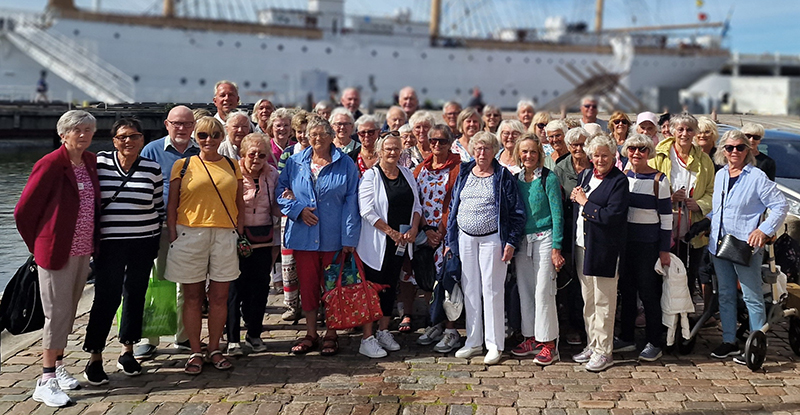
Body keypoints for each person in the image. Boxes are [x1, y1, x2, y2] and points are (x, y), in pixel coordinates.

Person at [15, 110, 99, 407]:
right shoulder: (50, 164)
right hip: (55, 251)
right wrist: (38, 246)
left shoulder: (89, 161)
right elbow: (23, 212)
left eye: (88, 129)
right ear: (63, 134)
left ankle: (59, 366)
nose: (84, 135)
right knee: (56, 313)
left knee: (70, 309)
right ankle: (46, 378)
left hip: (82, 248)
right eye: (78, 130)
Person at [81, 118, 163, 385]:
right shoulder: (100, 163)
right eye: (122, 137)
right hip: (110, 243)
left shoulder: (152, 168)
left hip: (143, 241)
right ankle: (94, 356)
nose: (129, 141)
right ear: (113, 140)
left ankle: (128, 350)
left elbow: (158, 207)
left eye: (135, 136)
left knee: (136, 294)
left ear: (143, 139)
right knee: (106, 296)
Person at [165, 116, 243, 375]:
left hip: (224, 235)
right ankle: (195, 350)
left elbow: (239, 203)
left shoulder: (233, 166)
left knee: (220, 297)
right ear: (195, 138)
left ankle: (215, 347)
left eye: (215, 135)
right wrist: (174, 234)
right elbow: (172, 203)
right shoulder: (183, 164)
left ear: (222, 137)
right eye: (203, 135)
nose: (209, 140)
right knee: (192, 298)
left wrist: (238, 232)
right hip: (191, 234)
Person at [277, 115, 360, 357]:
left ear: (331, 137)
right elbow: (280, 192)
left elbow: (351, 202)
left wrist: (349, 238)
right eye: (312, 135)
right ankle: (311, 333)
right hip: (303, 236)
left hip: (333, 237)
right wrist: (298, 210)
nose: (316, 139)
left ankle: (332, 333)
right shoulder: (294, 162)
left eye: (322, 135)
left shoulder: (345, 164)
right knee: (308, 286)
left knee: (333, 287)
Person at [446, 131, 526, 365]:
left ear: (494, 151)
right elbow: (454, 205)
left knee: (492, 291)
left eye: (487, 149)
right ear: (472, 150)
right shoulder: (463, 171)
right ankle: (473, 341)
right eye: (478, 148)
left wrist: (510, 242)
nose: (482, 153)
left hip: (493, 239)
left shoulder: (502, 176)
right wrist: (451, 239)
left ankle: (494, 344)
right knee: (470, 289)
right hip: (466, 238)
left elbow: (517, 213)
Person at [707, 130, 787, 362]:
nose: (734, 152)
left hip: (744, 245)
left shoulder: (756, 177)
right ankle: (729, 340)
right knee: (726, 294)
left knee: (752, 296)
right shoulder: (721, 174)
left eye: (740, 147)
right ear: (723, 150)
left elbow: (780, 205)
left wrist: (764, 230)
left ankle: (756, 344)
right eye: (729, 148)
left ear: (748, 150)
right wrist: (706, 221)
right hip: (719, 244)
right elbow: (721, 209)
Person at [135, 105, 199, 359]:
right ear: (167, 124)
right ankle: (149, 338)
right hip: (160, 225)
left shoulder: (200, 149)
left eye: (186, 124)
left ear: (193, 125)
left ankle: (182, 337)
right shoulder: (152, 150)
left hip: (191, 226)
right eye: (176, 123)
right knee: (158, 281)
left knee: (188, 283)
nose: (181, 128)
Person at [356, 133, 422, 358]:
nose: (393, 152)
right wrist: (391, 232)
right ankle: (367, 337)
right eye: (388, 149)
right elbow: (366, 211)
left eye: (396, 148)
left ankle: (384, 331)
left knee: (390, 287)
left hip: (401, 243)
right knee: (372, 290)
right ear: (379, 151)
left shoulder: (406, 173)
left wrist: (413, 228)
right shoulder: (370, 177)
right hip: (377, 244)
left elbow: (417, 205)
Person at [569, 135, 630, 372]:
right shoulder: (585, 175)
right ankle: (592, 343)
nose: (600, 159)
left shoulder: (619, 181)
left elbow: (612, 216)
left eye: (605, 155)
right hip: (582, 246)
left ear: (613, 156)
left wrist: (585, 203)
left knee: (604, 301)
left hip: (604, 249)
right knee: (589, 300)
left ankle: (605, 351)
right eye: (596, 155)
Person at [614, 134, 672, 362]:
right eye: (632, 149)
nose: (636, 153)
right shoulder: (623, 177)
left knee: (649, 294)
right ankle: (627, 337)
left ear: (649, 153)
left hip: (649, 245)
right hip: (626, 242)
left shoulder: (659, 180)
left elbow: (666, 217)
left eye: (642, 149)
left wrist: (664, 249)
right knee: (627, 292)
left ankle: (654, 341)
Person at [649, 113, 715, 308]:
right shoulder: (659, 154)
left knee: (689, 273)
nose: (684, 134)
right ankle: (661, 315)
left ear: (694, 132)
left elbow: (713, 192)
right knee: (662, 270)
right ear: (672, 131)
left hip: (692, 227)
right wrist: (669, 198)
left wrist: (700, 204)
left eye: (689, 129)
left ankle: (683, 317)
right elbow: (648, 186)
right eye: (680, 129)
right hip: (663, 224)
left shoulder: (704, 160)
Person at [510, 133, 564, 365]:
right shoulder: (516, 178)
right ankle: (531, 337)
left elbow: (557, 214)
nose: (528, 155)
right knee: (526, 290)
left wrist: (557, 247)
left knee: (543, 291)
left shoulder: (548, 178)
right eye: (524, 151)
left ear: (539, 154)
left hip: (545, 238)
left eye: (533, 151)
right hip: (523, 241)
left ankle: (549, 343)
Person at [226, 133, 281, 356]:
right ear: (243, 154)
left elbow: (277, 205)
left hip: (263, 238)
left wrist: (295, 209)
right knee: (234, 289)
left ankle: (254, 333)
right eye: (252, 154)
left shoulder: (273, 174)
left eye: (262, 155)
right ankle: (232, 338)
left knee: (259, 288)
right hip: (237, 236)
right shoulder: (232, 172)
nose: (256, 158)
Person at [412, 124, 463, 353]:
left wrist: (441, 231)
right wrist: (426, 229)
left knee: (447, 281)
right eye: (433, 140)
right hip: (425, 232)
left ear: (450, 142)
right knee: (426, 278)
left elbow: (454, 202)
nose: (436, 145)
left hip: (447, 233)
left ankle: (452, 329)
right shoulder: (421, 168)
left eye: (442, 141)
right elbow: (415, 201)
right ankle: (436, 323)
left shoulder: (458, 168)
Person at [553, 127, 592, 346]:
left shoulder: (596, 165)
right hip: (569, 229)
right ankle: (573, 326)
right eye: (574, 145)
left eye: (582, 144)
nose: (579, 149)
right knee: (569, 282)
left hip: (591, 229)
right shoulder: (561, 168)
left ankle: (590, 326)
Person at [277, 110, 312, 321]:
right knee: (289, 262)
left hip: (314, 215)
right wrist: (294, 202)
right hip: (291, 214)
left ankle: (314, 304)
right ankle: (291, 305)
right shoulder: (288, 154)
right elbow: (283, 188)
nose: (303, 136)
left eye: (307, 132)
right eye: (299, 132)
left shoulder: (321, 153)